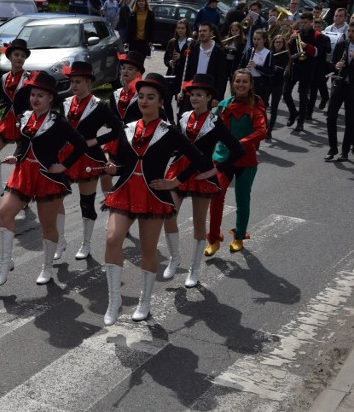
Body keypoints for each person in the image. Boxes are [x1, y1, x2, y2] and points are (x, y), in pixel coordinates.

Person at [101, 73, 205, 326]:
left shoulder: (168, 132)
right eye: (141, 96)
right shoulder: (126, 129)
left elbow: (199, 158)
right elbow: (118, 160)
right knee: (113, 239)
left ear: (160, 102)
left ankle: (144, 302)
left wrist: (175, 181)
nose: (144, 101)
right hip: (125, 191)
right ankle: (114, 301)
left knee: (148, 250)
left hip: (153, 195)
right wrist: (112, 166)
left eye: (151, 97)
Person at [0, 71, 86, 286]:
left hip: (47, 177)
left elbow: (80, 144)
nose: (35, 99)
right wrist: (15, 157)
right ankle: (5, 262)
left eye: (41, 96)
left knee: (48, 225)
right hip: (23, 173)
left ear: (51, 98)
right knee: (5, 213)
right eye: (33, 95)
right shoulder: (25, 117)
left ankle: (47, 268)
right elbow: (24, 145)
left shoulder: (58, 122)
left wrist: (63, 165)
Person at [159, 74, 244, 287]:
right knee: (168, 215)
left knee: (198, 224)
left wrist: (215, 171)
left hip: (200, 175)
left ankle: (194, 270)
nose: (194, 98)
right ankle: (175, 257)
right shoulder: (184, 116)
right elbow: (174, 144)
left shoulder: (215, 122)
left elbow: (237, 149)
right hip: (179, 171)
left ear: (209, 98)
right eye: (192, 95)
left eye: (199, 95)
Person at [55, 61, 122, 261]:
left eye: (78, 82)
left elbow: (118, 129)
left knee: (86, 203)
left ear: (89, 82)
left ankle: (86, 244)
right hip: (66, 156)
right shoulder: (65, 104)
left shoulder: (99, 105)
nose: (74, 86)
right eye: (72, 82)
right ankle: (60, 241)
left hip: (89, 158)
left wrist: (96, 140)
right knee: (56, 199)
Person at [205, 69, 267, 256]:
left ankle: (239, 236)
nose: (240, 85)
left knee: (242, 199)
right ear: (232, 83)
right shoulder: (224, 105)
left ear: (250, 85)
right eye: (237, 81)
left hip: (246, 160)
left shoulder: (255, 107)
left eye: (244, 82)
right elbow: (211, 128)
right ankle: (214, 238)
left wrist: (242, 143)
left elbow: (262, 131)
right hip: (223, 158)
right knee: (216, 197)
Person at [0, 39, 31, 203]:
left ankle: (22, 193)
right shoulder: (3, 77)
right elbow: (5, 99)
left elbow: (35, 99)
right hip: (7, 120)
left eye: (22, 55)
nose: (19, 58)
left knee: (21, 160)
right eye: (16, 55)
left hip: (25, 121)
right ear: (10, 57)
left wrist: (27, 114)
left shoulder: (30, 77)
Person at [107, 51, 144, 195]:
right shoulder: (115, 94)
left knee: (127, 176)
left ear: (137, 72)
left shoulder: (142, 94)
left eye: (130, 69)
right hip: (116, 139)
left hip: (134, 139)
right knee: (105, 175)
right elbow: (111, 118)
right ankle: (109, 201)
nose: (125, 71)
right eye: (123, 68)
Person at [283, 13, 323, 132]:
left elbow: (317, 53)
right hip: (295, 66)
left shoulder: (316, 35)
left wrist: (306, 46)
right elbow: (288, 49)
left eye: (306, 23)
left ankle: (300, 121)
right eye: (302, 22)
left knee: (303, 95)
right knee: (285, 93)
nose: (303, 25)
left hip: (308, 68)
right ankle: (293, 112)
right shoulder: (297, 33)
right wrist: (290, 40)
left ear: (311, 22)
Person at [180, 21, 227, 114]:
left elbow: (222, 77)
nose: (201, 33)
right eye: (200, 31)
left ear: (211, 33)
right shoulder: (194, 48)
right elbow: (186, 70)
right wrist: (182, 90)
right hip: (191, 90)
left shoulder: (219, 51)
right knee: (184, 116)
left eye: (204, 31)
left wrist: (217, 97)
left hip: (207, 92)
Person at [324, 21, 354, 162]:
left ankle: (345, 151)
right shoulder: (342, 45)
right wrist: (335, 65)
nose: (350, 34)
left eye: (353, 32)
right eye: (350, 31)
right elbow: (330, 64)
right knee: (330, 117)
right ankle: (333, 148)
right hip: (339, 84)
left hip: (352, 89)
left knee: (350, 120)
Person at [164, 19, 193, 124]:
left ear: (187, 29)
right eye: (178, 28)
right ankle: (171, 121)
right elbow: (166, 58)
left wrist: (182, 57)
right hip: (172, 74)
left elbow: (192, 60)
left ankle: (180, 122)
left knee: (180, 100)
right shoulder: (172, 42)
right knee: (166, 99)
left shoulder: (190, 43)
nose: (180, 30)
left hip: (183, 75)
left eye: (182, 28)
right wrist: (170, 62)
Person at [239, 29, 274, 106]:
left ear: (264, 40)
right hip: (247, 81)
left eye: (258, 39)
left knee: (257, 106)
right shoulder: (249, 51)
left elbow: (270, 72)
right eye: (254, 39)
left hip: (260, 83)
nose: (256, 41)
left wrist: (256, 66)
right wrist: (244, 70)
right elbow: (240, 66)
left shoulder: (268, 53)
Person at [307, 18, 333, 120]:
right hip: (308, 65)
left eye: (319, 27)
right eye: (315, 27)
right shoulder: (309, 37)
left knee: (314, 89)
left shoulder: (325, 38)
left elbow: (329, 50)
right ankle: (324, 98)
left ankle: (309, 112)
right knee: (305, 89)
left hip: (319, 67)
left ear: (322, 27)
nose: (317, 28)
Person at [268, 34, 291, 138]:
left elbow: (279, 67)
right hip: (268, 82)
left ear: (283, 44)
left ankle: (269, 130)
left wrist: (271, 66)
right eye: (276, 42)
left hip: (278, 83)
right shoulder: (269, 53)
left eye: (280, 42)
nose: (278, 44)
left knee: (274, 108)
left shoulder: (285, 55)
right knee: (262, 105)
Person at [126, 0, 155, 69]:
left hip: (144, 42)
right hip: (134, 41)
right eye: (139, 1)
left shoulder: (150, 14)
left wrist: (151, 40)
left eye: (142, 1)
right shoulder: (133, 14)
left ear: (145, 2)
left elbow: (153, 28)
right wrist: (126, 41)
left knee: (141, 62)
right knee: (133, 61)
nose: (141, 2)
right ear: (137, 3)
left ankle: (139, 77)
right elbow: (128, 28)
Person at [222, 22, 246, 86]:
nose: (234, 32)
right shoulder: (226, 39)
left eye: (236, 30)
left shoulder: (242, 41)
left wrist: (229, 50)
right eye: (232, 30)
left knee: (234, 85)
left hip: (234, 64)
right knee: (222, 84)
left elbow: (239, 53)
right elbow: (222, 52)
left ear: (240, 31)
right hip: (225, 63)